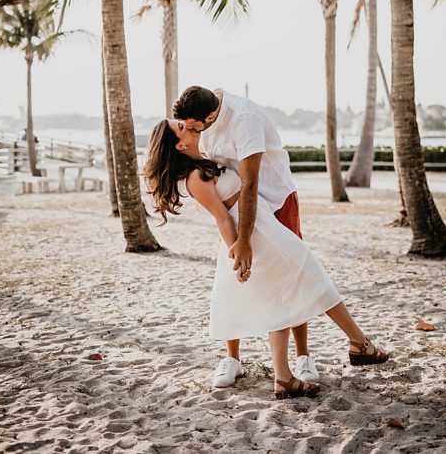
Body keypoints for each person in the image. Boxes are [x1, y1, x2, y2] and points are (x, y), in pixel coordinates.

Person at [142, 118, 390, 399]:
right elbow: (222, 218)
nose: (187, 125)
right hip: (257, 235)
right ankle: (358, 344)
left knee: (283, 294)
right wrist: (239, 255)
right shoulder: (195, 178)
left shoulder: (206, 161)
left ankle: (288, 375)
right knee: (313, 278)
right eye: (180, 126)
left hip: (264, 226)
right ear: (179, 145)